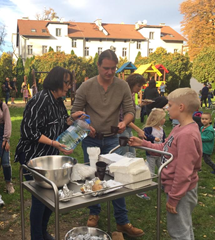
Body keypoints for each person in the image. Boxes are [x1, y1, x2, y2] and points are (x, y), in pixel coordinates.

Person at [72, 49, 144, 238]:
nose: (110, 72)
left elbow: (130, 110)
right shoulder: (86, 87)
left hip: (112, 138)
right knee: (93, 175)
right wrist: (86, 124)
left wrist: (124, 122)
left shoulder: (122, 86)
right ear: (98, 66)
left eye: (113, 69)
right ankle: (94, 212)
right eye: (106, 68)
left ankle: (122, 221)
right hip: (91, 139)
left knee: (117, 178)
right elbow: (75, 112)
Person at [15, 66, 85, 240]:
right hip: (34, 157)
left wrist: (72, 119)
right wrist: (55, 143)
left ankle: (43, 232)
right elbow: (28, 131)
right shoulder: (40, 100)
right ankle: (37, 236)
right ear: (56, 82)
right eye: (66, 82)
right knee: (40, 201)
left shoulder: (58, 100)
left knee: (50, 200)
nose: (69, 86)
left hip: (50, 157)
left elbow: (60, 123)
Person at [129, 87, 202, 239]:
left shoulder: (187, 135)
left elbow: (184, 172)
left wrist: (174, 198)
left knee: (179, 233)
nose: (167, 109)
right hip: (177, 189)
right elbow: (164, 149)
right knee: (184, 228)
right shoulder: (178, 128)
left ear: (181, 107)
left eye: (170, 105)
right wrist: (142, 144)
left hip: (181, 191)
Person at [136, 108, 166, 200]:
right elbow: (144, 136)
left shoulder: (161, 129)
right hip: (151, 154)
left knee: (163, 170)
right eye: (163, 118)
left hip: (160, 154)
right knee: (150, 172)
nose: (165, 120)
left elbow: (164, 138)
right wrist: (153, 138)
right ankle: (142, 190)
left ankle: (163, 185)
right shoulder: (148, 128)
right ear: (157, 119)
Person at [118, 74, 146, 155]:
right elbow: (123, 118)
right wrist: (139, 130)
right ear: (131, 84)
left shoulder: (131, 95)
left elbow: (131, 110)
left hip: (128, 129)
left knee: (132, 154)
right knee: (124, 154)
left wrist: (141, 105)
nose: (140, 88)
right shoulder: (123, 95)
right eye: (139, 86)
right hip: (122, 128)